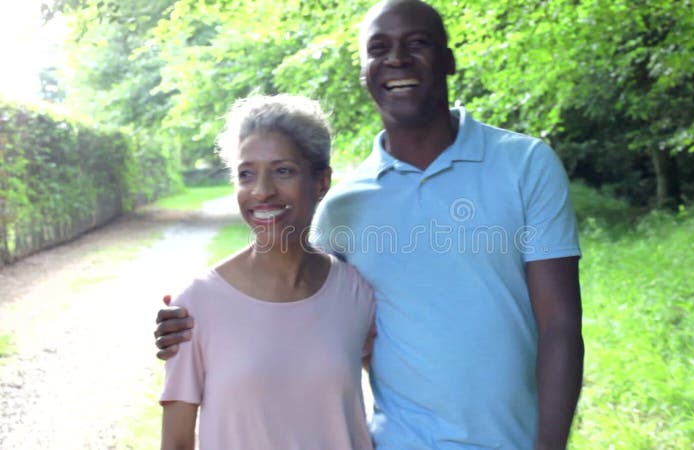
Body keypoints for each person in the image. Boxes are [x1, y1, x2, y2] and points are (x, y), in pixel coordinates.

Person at [155, 0, 584, 448]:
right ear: (364, 72)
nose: (396, 58)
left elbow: (559, 326)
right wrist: (192, 324)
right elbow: (292, 302)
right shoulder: (342, 206)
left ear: (449, 59)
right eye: (378, 48)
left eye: (416, 43)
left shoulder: (526, 165)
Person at [159, 94, 375, 450]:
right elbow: (177, 444)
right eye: (246, 174)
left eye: (282, 171)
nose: (261, 191)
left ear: (321, 181)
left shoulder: (356, 293)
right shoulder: (193, 307)